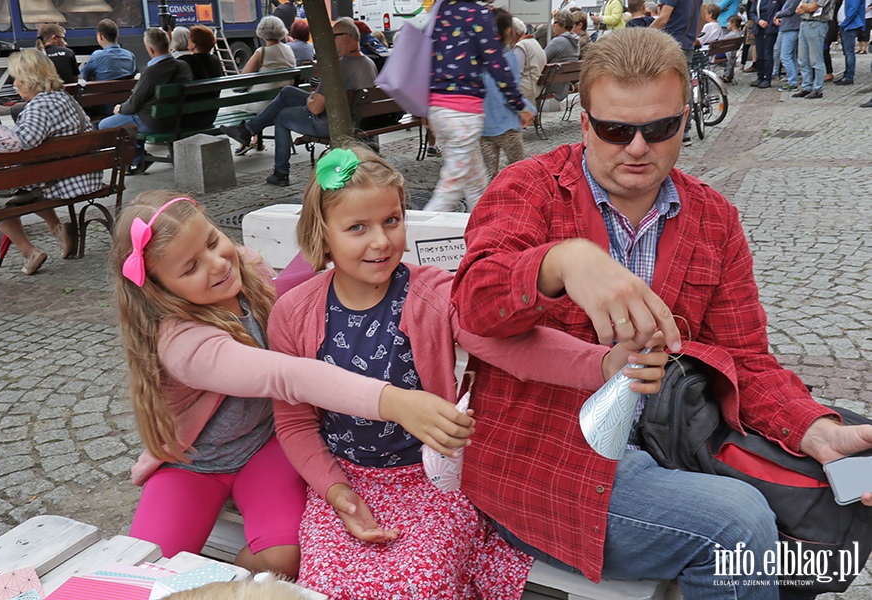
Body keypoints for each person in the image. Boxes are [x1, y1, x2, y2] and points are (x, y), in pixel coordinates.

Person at [451, 27, 872, 599]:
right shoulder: (529, 189)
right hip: (548, 458)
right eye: (615, 129)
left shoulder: (711, 216)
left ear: (686, 118)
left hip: (678, 436)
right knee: (735, 525)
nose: (637, 147)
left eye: (660, 128)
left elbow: (745, 356)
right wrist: (560, 261)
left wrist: (813, 428)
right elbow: (472, 304)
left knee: (850, 474)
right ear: (585, 122)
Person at [270, 146, 669, 599]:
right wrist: (336, 493)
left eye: (392, 221)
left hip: (431, 481)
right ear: (323, 236)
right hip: (342, 481)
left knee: (420, 586)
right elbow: (295, 421)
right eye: (357, 228)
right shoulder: (293, 315)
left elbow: (512, 347)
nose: (380, 241)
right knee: (320, 588)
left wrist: (601, 364)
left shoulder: (434, 294)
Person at [112, 190, 475, 576]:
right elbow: (286, 375)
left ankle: (231, 582)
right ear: (158, 288)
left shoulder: (249, 270)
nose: (218, 263)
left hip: (266, 449)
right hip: (191, 465)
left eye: (214, 241)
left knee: (283, 556)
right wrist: (396, 402)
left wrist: (337, 232)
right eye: (190, 268)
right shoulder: (181, 342)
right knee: (141, 566)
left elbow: (295, 286)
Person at [0, 49, 101, 276]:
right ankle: (57, 229)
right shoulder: (65, 98)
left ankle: (28, 251)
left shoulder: (39, 107)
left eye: (16, 78)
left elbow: (19, 144)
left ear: (30, 78)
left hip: (63, 183)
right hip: (84, 175)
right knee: (28, 180)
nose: (14, 84)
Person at [219, 18, 376, 187]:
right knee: (287, 92)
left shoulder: (338, 68)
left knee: (282, 116)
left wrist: (311, 99)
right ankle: (248, 129)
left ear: (346, 37)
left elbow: (316, 108)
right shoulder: (369, 63)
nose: (330, 41)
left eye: (333, 36)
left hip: (331, 122)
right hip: (354, 118)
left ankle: (281, 172)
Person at [422, 0, 534, 213]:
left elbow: (427, 58)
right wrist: (519, 105)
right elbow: (497, 64)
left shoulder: (441, 10)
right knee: (451, 187)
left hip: (439, 108)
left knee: (475, 183)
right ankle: (415, 238)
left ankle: (480, 232)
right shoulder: (478, 14)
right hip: (462, 111)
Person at [99, 28, 193, 172]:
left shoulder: (151, 72)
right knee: (132, 120)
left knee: (104, 125)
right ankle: (138, 157)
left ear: (150, 49)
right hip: (178, 119)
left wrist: (120, 108)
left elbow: (134, 105)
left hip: (153, 122)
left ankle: (136, 158)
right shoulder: (184, 66)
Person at [482, 8, 537, 181]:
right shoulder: (507, 57)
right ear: (508, 30)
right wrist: (527, 109)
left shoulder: (479, 57)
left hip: (485, 127)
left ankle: (490, 204)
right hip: (507, 126)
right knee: (519, 170)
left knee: (490, 175)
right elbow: (510, 91)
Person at [234, 16, 297, 156]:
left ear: (261, 32)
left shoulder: (261, 52)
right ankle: (255, 138)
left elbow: (241, 80)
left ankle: (245, 140)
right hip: (283, 102)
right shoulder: (288, 50)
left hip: (263, 104)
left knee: (234, 106)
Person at [650, 0, 702, 144]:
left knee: (667, 86)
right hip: (687, 45)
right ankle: (685, 128)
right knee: (684, 84)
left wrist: (645, 35)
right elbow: (702, 15)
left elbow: (663, 19)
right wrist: (693, 36)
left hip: (671, 44)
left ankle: (676, 128)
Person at [177, 25, 225, 130]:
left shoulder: (185, 61)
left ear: (194, 44)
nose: (187, 41)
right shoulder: (215, 60)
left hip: (189, 118)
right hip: (210, 116)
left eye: (189, 38)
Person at [793, 0, 835, 98]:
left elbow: (813, 8)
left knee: (816, 59)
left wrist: (806, 7)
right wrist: (807, 6)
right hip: (804, 23)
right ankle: (806, 86)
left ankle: (817, 89)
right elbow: (798, 10)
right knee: (803, 59)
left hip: (817, 24)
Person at [511, 17, 548, 106]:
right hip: (538, 86)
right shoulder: (533, 42)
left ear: (513, 32)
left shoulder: (521, 46)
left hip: (527, 88)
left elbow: (516, 73)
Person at [748, 0, 780, 88]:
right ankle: (760, 77)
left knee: (767, 54)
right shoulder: (758, 1)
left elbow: (782, 8)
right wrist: (758, 21)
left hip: (770, 29)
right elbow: (752, 12)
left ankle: (767, 78)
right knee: (760, 54)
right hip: (759, 29)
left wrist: (778, 17)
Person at [835, 0, 864, 84]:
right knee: (847, 52)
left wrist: (844, 24)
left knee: (849, 53)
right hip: (845, 25)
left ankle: (849, 77)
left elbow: (853, 9)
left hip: (849, 26)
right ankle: (847, 74)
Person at [775, 0, 802, 89]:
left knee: (785, 56)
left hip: (791, 28)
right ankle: (793, 80)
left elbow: (790, 11)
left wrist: (778, 14)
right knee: (791, 56)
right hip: (786, 27)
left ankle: (792, 82)